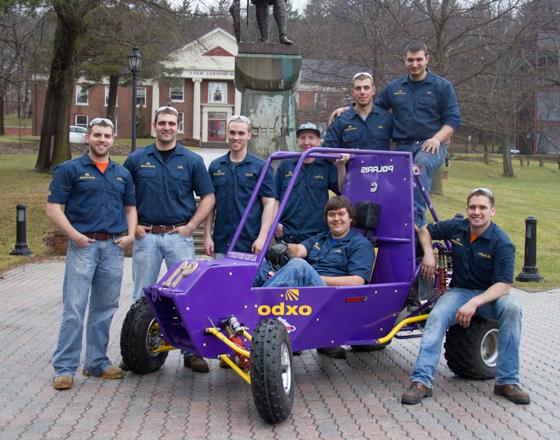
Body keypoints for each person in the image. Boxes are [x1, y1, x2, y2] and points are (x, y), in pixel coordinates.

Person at [401, 188, 530, 405]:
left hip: (492, 295)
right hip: (460, 292)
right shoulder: (458, 227)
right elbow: (424, 230)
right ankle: (422, 381)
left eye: (482, 208)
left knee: (512, 310)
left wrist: (475, 302)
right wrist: (429, 254)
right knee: (437, 315)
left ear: (492, 211)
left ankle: (507, 382)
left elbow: (504, 285)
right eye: (472, 207)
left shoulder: (502, 242)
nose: (476, 212)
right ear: (467, 210)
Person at [123, 106, 215, 373]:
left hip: (179, 238)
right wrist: (134, 226)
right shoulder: (137, 159)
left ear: (178, 127)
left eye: (171, 123)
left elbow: (208, 196)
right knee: (142, 296)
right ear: (154, 126)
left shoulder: (192, 160)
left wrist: (192, 227)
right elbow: (122, 194)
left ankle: (191, 353)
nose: (166, 127)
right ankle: (137, 349)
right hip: (147, 237)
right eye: (162, 123)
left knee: (186, 295)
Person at [46, 117, 137, 390]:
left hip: (113, 248)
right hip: (83, 246)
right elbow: (52, 208)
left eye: (107, 136)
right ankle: (64, 367)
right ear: (88, 137)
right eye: (97, 135)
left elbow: (130, 208)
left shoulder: (122, 174)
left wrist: (131, 234)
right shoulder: (69, 170)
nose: (102, 140)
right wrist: (73, 235)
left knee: (106, 307)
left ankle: (97, 361)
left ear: (113, 139)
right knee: (74, 307)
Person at [329, 42, 461, 226]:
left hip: (430, 145)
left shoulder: (442, 87)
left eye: (419, 60)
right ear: (404, 61)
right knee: (394, 189)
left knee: (418, 168)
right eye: (410, 60)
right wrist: (347, 109)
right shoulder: (394, 88)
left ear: (427, 60)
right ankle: (393, 226)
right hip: (402, 147)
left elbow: (453, 120)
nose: (414, 64)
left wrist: (438, 138)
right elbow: (372, 107)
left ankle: (416, 225)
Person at [258, 195, 375, 358]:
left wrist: (310, 275)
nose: (336, 219)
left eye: (341, 214)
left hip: (332, 296)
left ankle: (255, 312)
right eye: (331, 214)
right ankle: (240, 311)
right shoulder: (321, 238)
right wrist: (284, 247)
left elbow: (356, 281)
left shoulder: (360, 244)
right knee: (261, 264)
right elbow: (299, 250)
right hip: (308, 291)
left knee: (299, 266)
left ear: (351, 218)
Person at [204, 115, 276, 258]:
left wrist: (262, 237)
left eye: (241, 133)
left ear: (249, 135)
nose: (236, 137)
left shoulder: (261, 167)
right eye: (232, 132)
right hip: (222, 242)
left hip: (250, 243)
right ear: (226, 134)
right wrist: (207, 236)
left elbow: (269, 204)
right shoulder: (215, 166)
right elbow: (210, 205)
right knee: (222, 280)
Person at [276, 122, 347, 244]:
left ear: (319, 141)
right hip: (287, 233)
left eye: (311, 138)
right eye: (303, 138)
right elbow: (274, 198)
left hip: (317, 235)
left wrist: (341, 166)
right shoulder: (285, 166)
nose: (306, 142)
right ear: (297, 141)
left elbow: (342, 190)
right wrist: (275, 225)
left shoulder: (326, 166)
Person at [322, 72, 392, 151]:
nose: (362, 92)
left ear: (373, 90)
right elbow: (328, 150)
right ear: (353, 92)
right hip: (350, 163)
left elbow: (399, 143)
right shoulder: (340, 120)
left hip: (381, 163)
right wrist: (340, 159)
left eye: (366, 88)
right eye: (358, 88)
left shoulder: (386, 118)